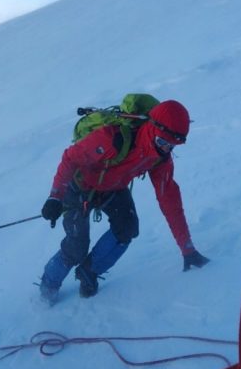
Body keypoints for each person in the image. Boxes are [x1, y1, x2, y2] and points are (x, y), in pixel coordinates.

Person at [37, 99, 208, 304]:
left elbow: (170, 201)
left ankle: (89, 272)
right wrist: (55, 196)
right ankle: (48, 287)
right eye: (163, 142)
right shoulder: (112, 138)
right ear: (152, 128)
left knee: (126, 228)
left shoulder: (160, 158)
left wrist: (187, 249)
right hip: (79, 187)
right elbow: (70, 159)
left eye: (173, 145)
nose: (166, 149)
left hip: (112, 188)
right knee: (77, 246)